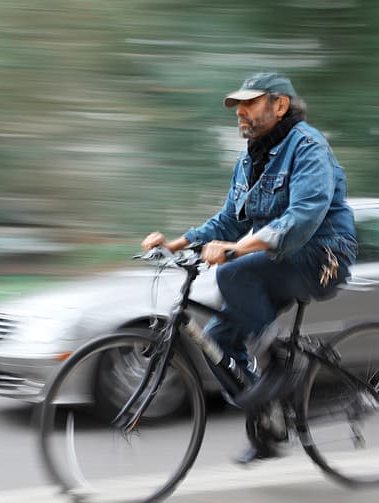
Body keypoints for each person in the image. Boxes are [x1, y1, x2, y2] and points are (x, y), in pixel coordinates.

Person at [141, 72, 357, 463]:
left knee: (234, 272)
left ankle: (280, 366)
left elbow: (304, 216)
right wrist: (177, 243)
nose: (240, 111)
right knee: (219, 339)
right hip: (280, 261)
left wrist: (237, 250)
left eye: (250, 103)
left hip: (324, 255)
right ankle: (271, 424)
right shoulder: (248, 162)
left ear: (280, 105)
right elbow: (228, 222)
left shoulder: (308, 146)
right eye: (237, 105)